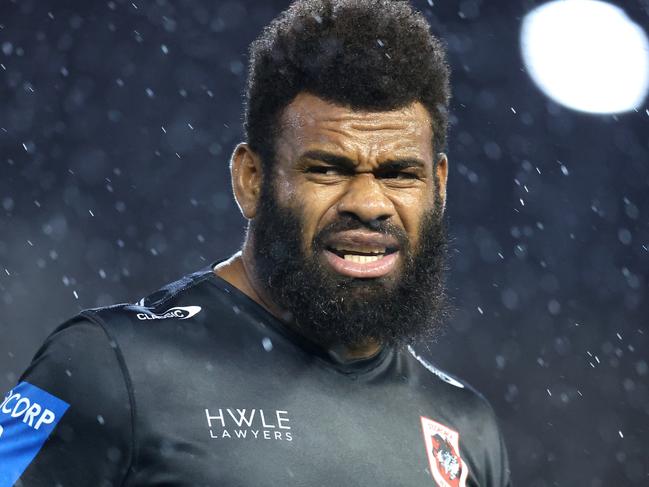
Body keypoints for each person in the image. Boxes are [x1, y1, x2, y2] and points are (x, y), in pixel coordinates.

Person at [0, 0, 512, 486]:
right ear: (251, 179)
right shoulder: (103, 366)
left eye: (399, 174)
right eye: (327, 170)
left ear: (439, 189)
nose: (369, 203)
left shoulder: (466, 428)